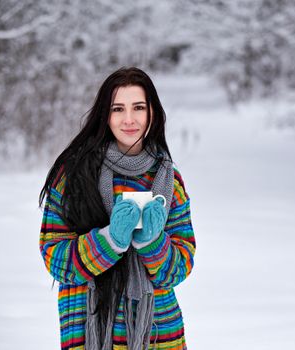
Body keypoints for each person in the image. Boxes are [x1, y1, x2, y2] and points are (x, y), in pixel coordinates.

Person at [38, 67, 196, 350]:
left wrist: (152, 242)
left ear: (152, 114)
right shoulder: (73, 175)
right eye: (117, 109)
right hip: (91, 330)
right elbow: (56, 260)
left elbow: (180, 267)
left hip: (157, 332)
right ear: (105, 115)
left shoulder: (169, 180)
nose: (129, 119)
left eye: (138, 107)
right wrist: (110, 240)